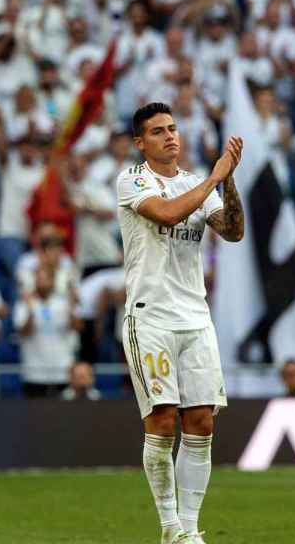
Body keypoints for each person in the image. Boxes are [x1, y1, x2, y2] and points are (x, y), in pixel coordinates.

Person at [116, 102, 243, 544]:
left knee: (203, 422)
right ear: (141, 142)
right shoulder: (132, 180)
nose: (170, 136)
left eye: (172, 128)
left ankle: (189, 530)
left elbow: (232, 230)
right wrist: (214, 176)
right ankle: (170, 525)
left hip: (195, 316)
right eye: (158, 131)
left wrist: (228, 182)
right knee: (163, 419)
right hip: (151, 316)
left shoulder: (195, 183)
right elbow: (167, 214)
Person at [14, 266, 81, 398]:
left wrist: (72, 307)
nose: (42, 282)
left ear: (53, 281)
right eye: (39, 279)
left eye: (46, 279)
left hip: (62, 371)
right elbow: (24, 333)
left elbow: (77, 327)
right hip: (34, 373)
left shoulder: (63, 303)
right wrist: (30, 310)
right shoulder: (23, 304)